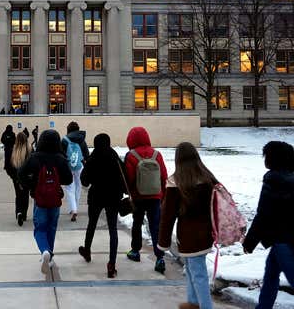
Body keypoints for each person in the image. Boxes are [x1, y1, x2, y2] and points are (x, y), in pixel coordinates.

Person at [243, 141, 294, 309]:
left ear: (273, 158)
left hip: (283, 243)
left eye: (266, 155)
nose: (264, 159)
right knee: (270, 279)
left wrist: (249, 242)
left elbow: (263, 215)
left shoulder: (273, 180)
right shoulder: (293, 179)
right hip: (288, 240)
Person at [158, 142, 218, 309]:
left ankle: (205, 306)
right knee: (192, 270)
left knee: (198, 274)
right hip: (205, 234)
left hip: (188, 236)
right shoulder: (207, 178)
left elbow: (167, 217)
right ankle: (193, 303)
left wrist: (163, 242)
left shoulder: (175, 182)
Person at [18, 129, 73, 274]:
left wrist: (32, 186)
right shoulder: (60, 158)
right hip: (55, 198)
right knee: (52, 227)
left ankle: (44, 251)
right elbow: (69, 179)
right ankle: (50, 254)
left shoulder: (34, 157)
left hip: (40, 198)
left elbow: (21, 174)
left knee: (40, 228)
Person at [78, 133, 125, 278]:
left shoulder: (93, 157)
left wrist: (87, 167)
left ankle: (87, 250)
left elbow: (85, 181)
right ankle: (112, 263)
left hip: (96, 196)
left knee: (92, 224)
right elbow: (124, 177)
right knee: (113, 229)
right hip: (113, 197)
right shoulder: (115, 157)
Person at [124, 126, 167, 274]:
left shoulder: (131, 155)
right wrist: (163, 195)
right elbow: (164, 176)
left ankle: (135, 251)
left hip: (138, 197)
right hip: (155, 196)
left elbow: (129, 178)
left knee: (137, 223)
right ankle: (160, 257)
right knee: (156, 226)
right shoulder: (157, 154)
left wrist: (130, 194)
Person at [61, 121, 89, 221]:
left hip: (69, 166)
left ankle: (73, 209)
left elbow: (62, 154)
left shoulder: (64, 140)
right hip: (79, 166)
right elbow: (86, 154)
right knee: (78, 187)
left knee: (69, 188)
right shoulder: (82, 139)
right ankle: (75, 207)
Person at [6, 132, 32, 226]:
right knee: (25, 194)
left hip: (16, 177)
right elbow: (32, 164)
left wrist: (13, 176)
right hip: (26, 177)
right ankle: (24, 214)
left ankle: (19, 212)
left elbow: (8, 166)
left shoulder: (12, 151)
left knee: (18, 195)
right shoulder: (30, 150)